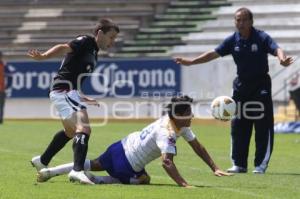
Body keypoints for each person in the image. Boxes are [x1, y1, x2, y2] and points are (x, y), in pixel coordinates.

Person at [175, 7, 294, 174]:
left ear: (251, 22)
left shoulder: (261, 37)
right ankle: (239, 164)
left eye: (244, 19)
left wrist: (281, 59)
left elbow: (277, 49)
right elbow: (213, 53)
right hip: (241, 88)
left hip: (261, 87)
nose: (241, 23)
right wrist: (191, 61)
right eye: (238, 20)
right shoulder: (233, 40)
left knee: (262, 125)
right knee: (238, 125)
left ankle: (260, 165)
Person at [36, 96, 232, 187]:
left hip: (119, 146)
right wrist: (183, 184)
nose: (192, 115)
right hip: (127, 163)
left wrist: (214, 167)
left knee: (92, 163)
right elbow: (166, 162)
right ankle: (99, 180)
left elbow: (198, 146)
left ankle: (50, 171)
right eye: (189, 113)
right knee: (144, 179)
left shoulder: (178, 124)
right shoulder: (168, 132)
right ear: (178, 115)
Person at [28, 18, 119, 184]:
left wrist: (82, 97)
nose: (113, 41)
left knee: (70, 132)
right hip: (64, 89)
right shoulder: (85, 41)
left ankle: (42, 160)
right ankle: (77, 171)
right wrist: (43, 56)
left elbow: (74, 75)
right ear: (100, 33)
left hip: (69, 91)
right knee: (83, 128)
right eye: (111, 37)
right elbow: (64, 47)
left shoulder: (94, 52)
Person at [0, 51, 7, 124]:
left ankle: (0, 119)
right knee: (1, 105)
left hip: (1, 89)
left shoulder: (3, 64)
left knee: (1, 105)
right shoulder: (3, 65)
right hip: (1, 89)